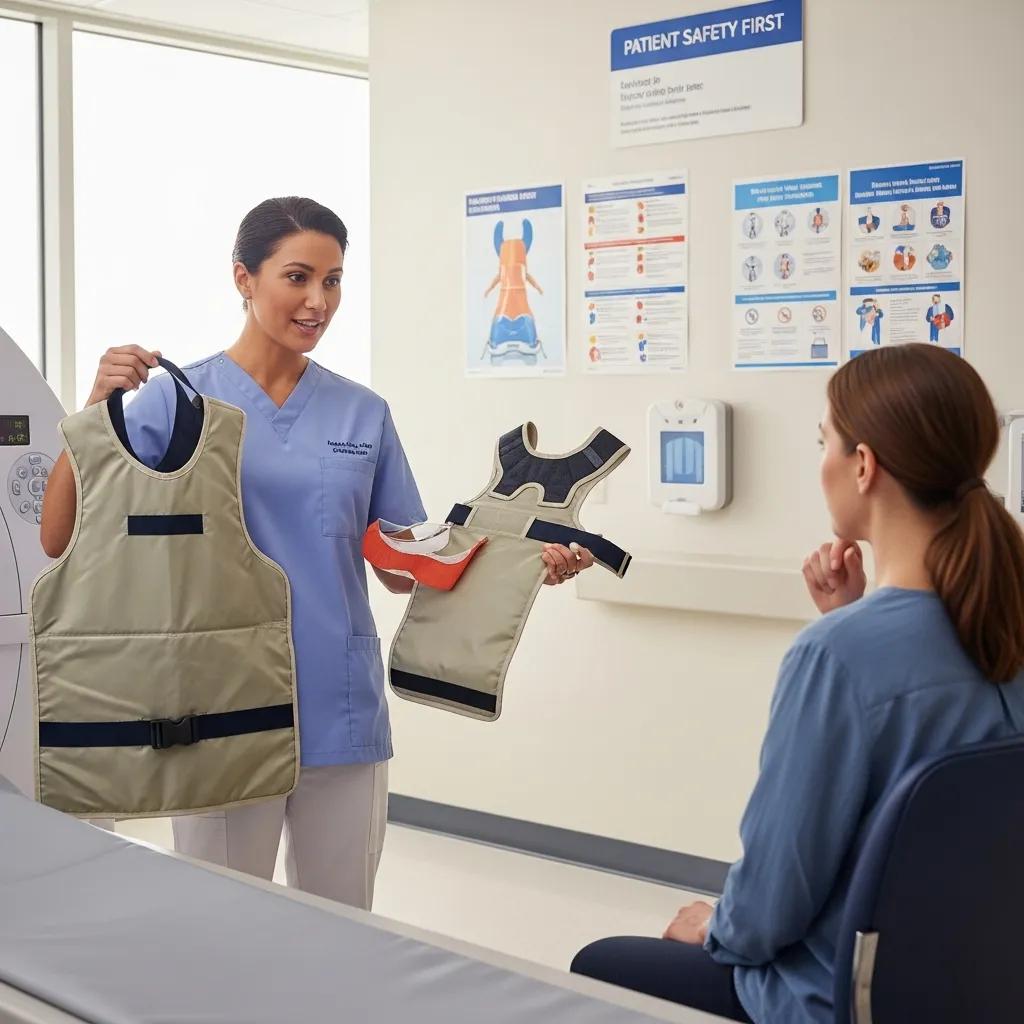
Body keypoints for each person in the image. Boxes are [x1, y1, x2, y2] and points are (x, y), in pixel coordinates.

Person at [39, 196, 593, 909]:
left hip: (339, 706)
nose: (318, 301)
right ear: (244, 278)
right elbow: (61, 535)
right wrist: (94, 407)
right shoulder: (180, 400)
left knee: (345, 926)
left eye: (333, 281)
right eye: (297, 277)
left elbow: (401, 564)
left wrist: (524, 565)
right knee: (223, 925)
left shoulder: (363, 412)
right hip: (221, 709)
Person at [572, 344, 1024, 1023]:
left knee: (599, 965)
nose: (822, 465)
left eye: (825, 444)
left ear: (864, 466)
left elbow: (772, 903)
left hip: (832, 1001)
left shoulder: (838, 658)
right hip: (976, 990)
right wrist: (851, 616)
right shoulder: (1006, 624)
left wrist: (717, 926)